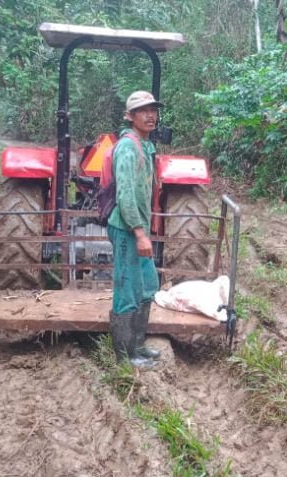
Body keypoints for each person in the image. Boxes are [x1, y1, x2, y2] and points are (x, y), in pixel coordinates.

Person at [107, 91, 165, 368]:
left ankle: (138, 345)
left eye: (153, 109)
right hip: (127, 230)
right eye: (143, 110)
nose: (150, 115)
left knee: (147, 286)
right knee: (127, 291)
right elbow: (126, 196)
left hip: (139, 229)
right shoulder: (128, 147)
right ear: (130, 116)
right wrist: (140, 233)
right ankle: (125, 356)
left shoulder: (146, 145)